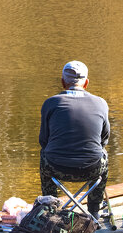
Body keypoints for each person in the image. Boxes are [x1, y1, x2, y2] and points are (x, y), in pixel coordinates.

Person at [39, 60, 111, 218]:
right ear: (86, 83)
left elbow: (43, 140)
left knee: (44, 154)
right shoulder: (101, 103)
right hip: (92, 169)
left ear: (63, 82)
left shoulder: (51, 103)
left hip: (56, 168)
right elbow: (104, 140)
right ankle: (94, 210)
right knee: (103, 154)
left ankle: (51, 209)